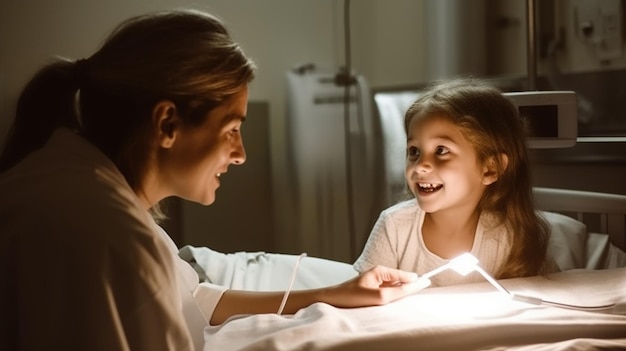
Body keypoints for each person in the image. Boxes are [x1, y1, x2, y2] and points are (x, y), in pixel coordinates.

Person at [0, 9, 426, 351]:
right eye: (231, 129)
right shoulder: (112, 237)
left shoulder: (74, 180)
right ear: (167, 123)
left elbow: (194, 299)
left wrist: (337, 293)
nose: (240, 155)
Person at [354, 77, 556, 287]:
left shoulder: (510, 238)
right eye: (414, 151)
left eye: (441, 151)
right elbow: (362, 301)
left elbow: (549, 298)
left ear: (491, 168)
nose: (421, 165)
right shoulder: (394, 228)